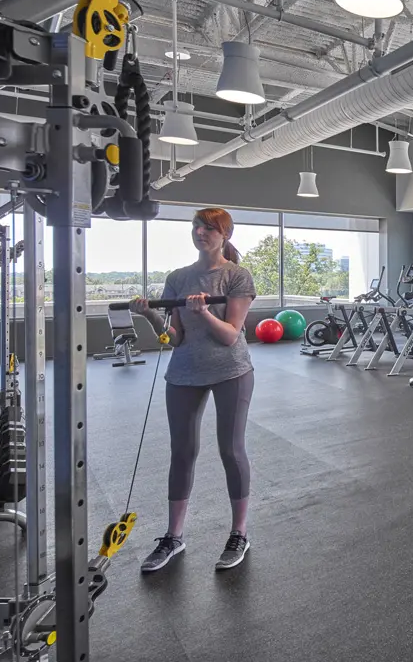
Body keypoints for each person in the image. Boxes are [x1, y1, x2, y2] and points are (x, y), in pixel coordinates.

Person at [129, 208, 257, 573]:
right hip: (184, 372)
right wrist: (150, 315)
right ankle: (174, 536)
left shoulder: (237, 276)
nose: (201, 233)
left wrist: (203, 312)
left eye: (209, 228)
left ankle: (239, 533)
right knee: (182, 452)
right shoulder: (178, 278)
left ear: (225, 234)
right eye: (196, 227)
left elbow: (230, 335)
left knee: (231, 449)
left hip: (231, 371)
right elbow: (175, 338)